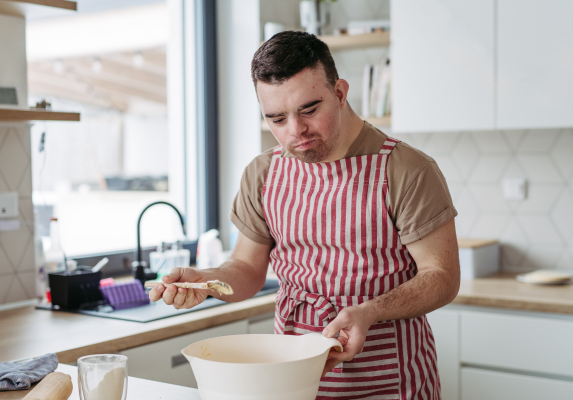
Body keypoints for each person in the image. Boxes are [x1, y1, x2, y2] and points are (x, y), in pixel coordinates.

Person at [149, 31, 460, 399]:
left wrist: (370, 311)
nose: (296, 131)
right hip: (292, 383)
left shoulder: (405, 169)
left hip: (390, 382)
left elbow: (442, 277)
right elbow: (247, 271)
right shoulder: (263, 174)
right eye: (277, 119)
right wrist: (206, 280)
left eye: (309, 110)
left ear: (340, 93)